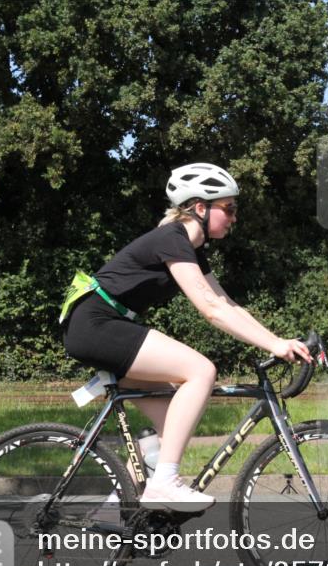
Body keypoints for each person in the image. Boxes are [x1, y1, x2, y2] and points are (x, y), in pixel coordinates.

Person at [61, 163, 312, 512]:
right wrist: (274, 345)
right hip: (96, 324)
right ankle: (163, 484)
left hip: (105, 325)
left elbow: (226, 304)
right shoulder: (172, 238)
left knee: (171, 424)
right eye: (229, 208)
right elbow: (210, 310)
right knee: (200, 371)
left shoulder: (190, 248)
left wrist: (278, 341)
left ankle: (117, 513)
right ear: (200, 208)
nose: (235, 217)